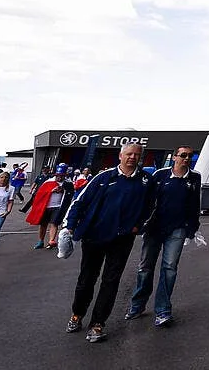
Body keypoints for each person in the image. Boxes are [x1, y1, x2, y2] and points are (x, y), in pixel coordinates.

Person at [61, 143, 154, 343]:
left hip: (122, 239)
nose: (132, 157)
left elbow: (151, 207)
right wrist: (69, 226)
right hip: (95, 236)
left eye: (136, 155)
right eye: (129, 154)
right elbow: (80, 201)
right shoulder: (103, 178)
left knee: (111, 281)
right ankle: (77, 315)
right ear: (120, 155)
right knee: (87, 279)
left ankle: (98, 324)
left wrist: (138, 226)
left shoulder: (146, 180)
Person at [126, 146, 202, 327]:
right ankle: (138, 304)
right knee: (145, 267)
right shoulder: (159, 176)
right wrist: (140, 222)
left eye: (190, 156)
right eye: (183, 155)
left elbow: (194, 204)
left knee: (169, 268)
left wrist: (192, 228)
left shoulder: (194, 178)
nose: (186, 159)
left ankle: (163, 309)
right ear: (175, 157)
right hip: (155, 228)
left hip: (177, 229)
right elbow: (147, 199)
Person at [24, 164, 75, 250]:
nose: (59, 178)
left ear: (65, 175)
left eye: (61, 176)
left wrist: (63, 190)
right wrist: (51, 191)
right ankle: (41, 241)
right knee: (43, 224)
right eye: (58, 176)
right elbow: (39, 193)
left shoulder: (68, 184)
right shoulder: (48, 182)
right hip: (46, 206)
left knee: (54, 223)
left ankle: (51, 241)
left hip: (58, 206)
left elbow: (70, 195)